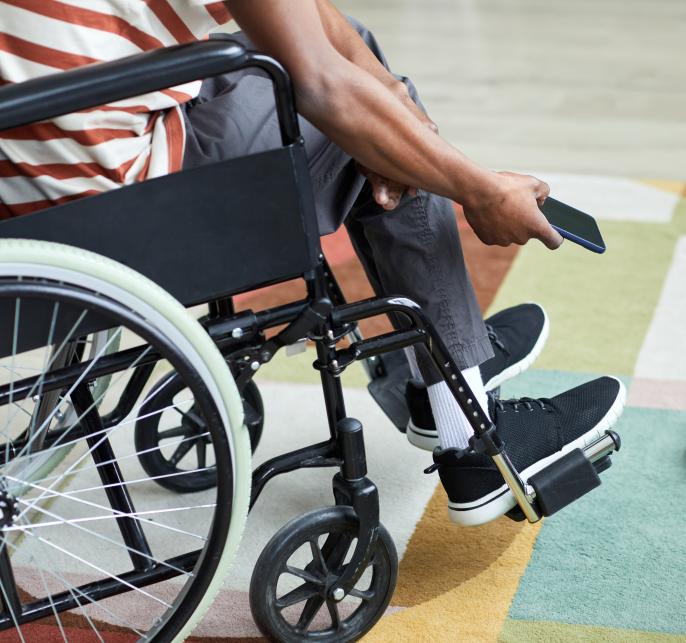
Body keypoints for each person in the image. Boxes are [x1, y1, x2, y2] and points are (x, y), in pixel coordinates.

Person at [0, 0, 625, 526]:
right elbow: (324, 85)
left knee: (365, 75)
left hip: (24, 189)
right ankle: (466, 427)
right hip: (117, 212)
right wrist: (479, 190)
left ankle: (443, 368)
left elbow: (316, 21)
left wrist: (394, 109)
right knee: (349, 113)